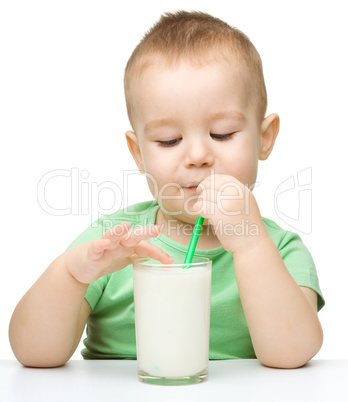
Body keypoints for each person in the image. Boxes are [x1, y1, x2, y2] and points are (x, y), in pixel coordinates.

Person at [9, 10, 324, 369]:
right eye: (169, 140)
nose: (198, 155)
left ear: (264, 139)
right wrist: (71, 275)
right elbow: (32, 354)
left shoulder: (281, 250)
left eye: (222, 133)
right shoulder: (112, 242)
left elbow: (292, 355)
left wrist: (250, 244)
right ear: (138, 153)